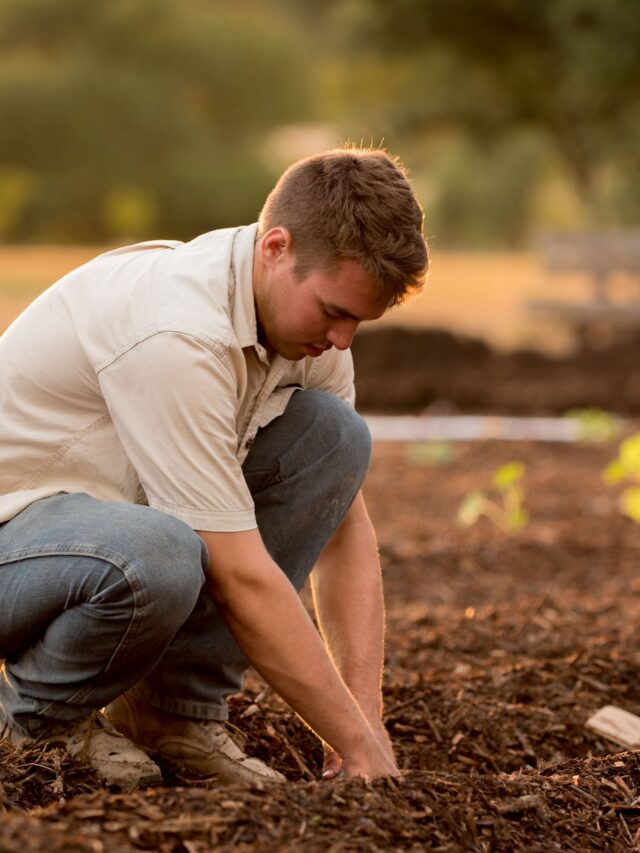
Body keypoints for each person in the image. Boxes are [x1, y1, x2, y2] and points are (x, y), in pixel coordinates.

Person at [0, 147, 428, 788]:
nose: (343, 341)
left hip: (91, 535)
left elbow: (343, 529)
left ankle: (172, 713)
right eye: (334, 312)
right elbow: (239, 575)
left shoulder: (306, 335)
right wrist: (355, 745)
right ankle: (35, 720)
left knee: (334, 438)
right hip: (16, 548)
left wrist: (364, 724)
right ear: (276, 247)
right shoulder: (177, 334)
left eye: (359, 321)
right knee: (158, 554)